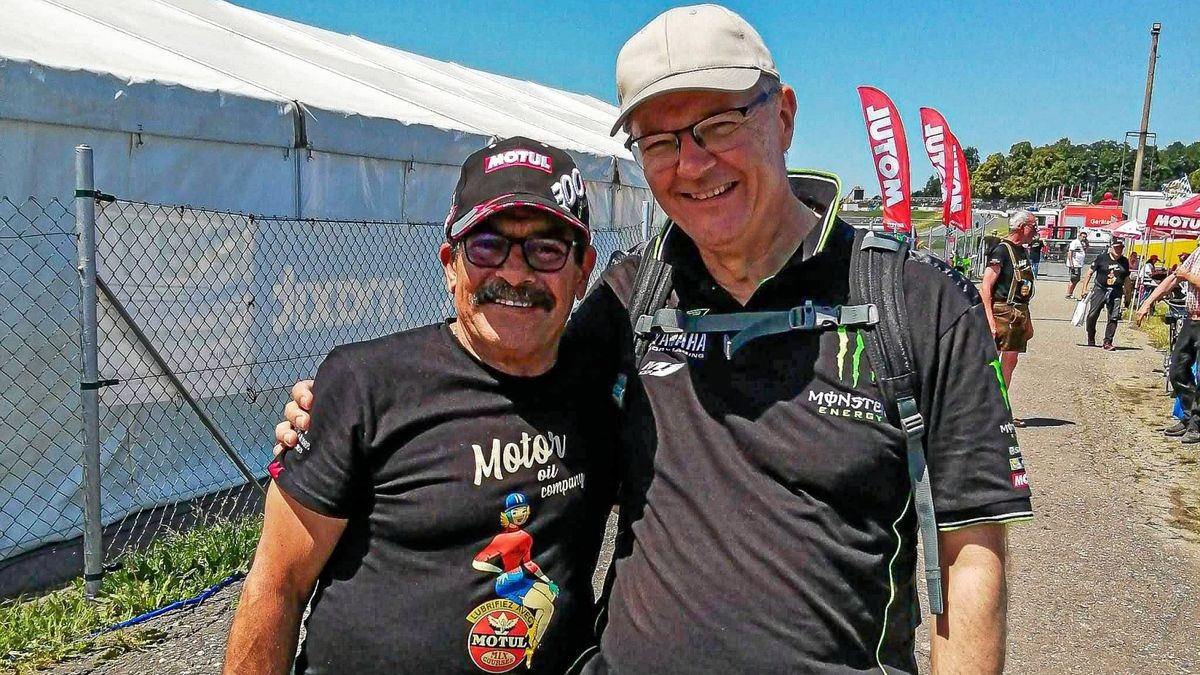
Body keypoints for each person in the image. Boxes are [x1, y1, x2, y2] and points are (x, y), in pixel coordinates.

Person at [276, 6, 1032, 673]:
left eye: (719, 125)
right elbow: (513, 373)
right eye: (660, 140)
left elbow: (970, 558)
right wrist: (349, 401)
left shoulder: (920, 305)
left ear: (785, 116)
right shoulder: (633, 294)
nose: (692, 164)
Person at [223, 137, 618, 674]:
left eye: (546, 249)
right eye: (487, 247)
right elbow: (276, 580)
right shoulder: (366, 383)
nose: (516, 273)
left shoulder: (605, 391)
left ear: (582, 271)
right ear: (451, 264)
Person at [1137, 242, 1200, 444]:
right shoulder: (1198, 253)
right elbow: (1173, 279)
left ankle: (1197, 423)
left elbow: (1183, 276)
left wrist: (1188, 277)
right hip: (1191, 319)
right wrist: (1148, 302)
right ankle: (1190, 415)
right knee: (1177, 371)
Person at [980, 211, 1037, 426]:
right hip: (1002, 311)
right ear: (1022, 227)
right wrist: (990, 320)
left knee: (1010, 362)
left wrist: (1028, 320)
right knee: (991, 362)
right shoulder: (1002, 250)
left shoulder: (1022, 252)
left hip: (1019, 311)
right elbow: (986, 287)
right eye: (1033, 226)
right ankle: (983, 410)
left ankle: (1001, 408)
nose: (1036, 231)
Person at [1078, 239, 1131, 350]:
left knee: (1113, 317)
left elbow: (1126, 279)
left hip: (1116, 291)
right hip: (1100, 289)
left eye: (1120, 248)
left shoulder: (1124, 261)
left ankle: (1108, 342)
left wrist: (1128, 295)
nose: (1118, 250)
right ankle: (1091, 336)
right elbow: (1089, 273)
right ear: (1111, 248)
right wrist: (1084, 289)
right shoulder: (1101, 258)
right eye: (1116, 247)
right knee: (1092, 315)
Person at [1066, 230, 1088, 298]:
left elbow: (1086, 249)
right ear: (1079, 236)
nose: (1084, 238)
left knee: (1077, 279)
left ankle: (1071, 293)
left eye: (1085, 237)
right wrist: (1071, 263)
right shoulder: (1075, 242)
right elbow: (1070, 252)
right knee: (1074, 278)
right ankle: (1068, 293)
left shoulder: (1082, 243)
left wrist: (1086, 243)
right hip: (1074, 263)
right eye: (1083, 237)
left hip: (1079, 264)